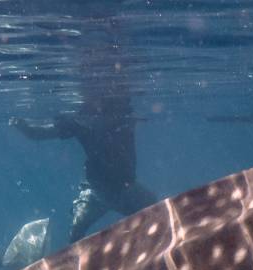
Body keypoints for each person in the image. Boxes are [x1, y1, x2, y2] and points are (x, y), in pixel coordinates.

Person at [10, 84, 157, 242]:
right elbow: (38, 133)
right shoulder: (84, 121)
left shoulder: (115, 113)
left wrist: (27, 129)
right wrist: (26, 128)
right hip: (103, 191)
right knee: (77, 231)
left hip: (117, 188)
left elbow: (38, 134)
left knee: (77, 231)